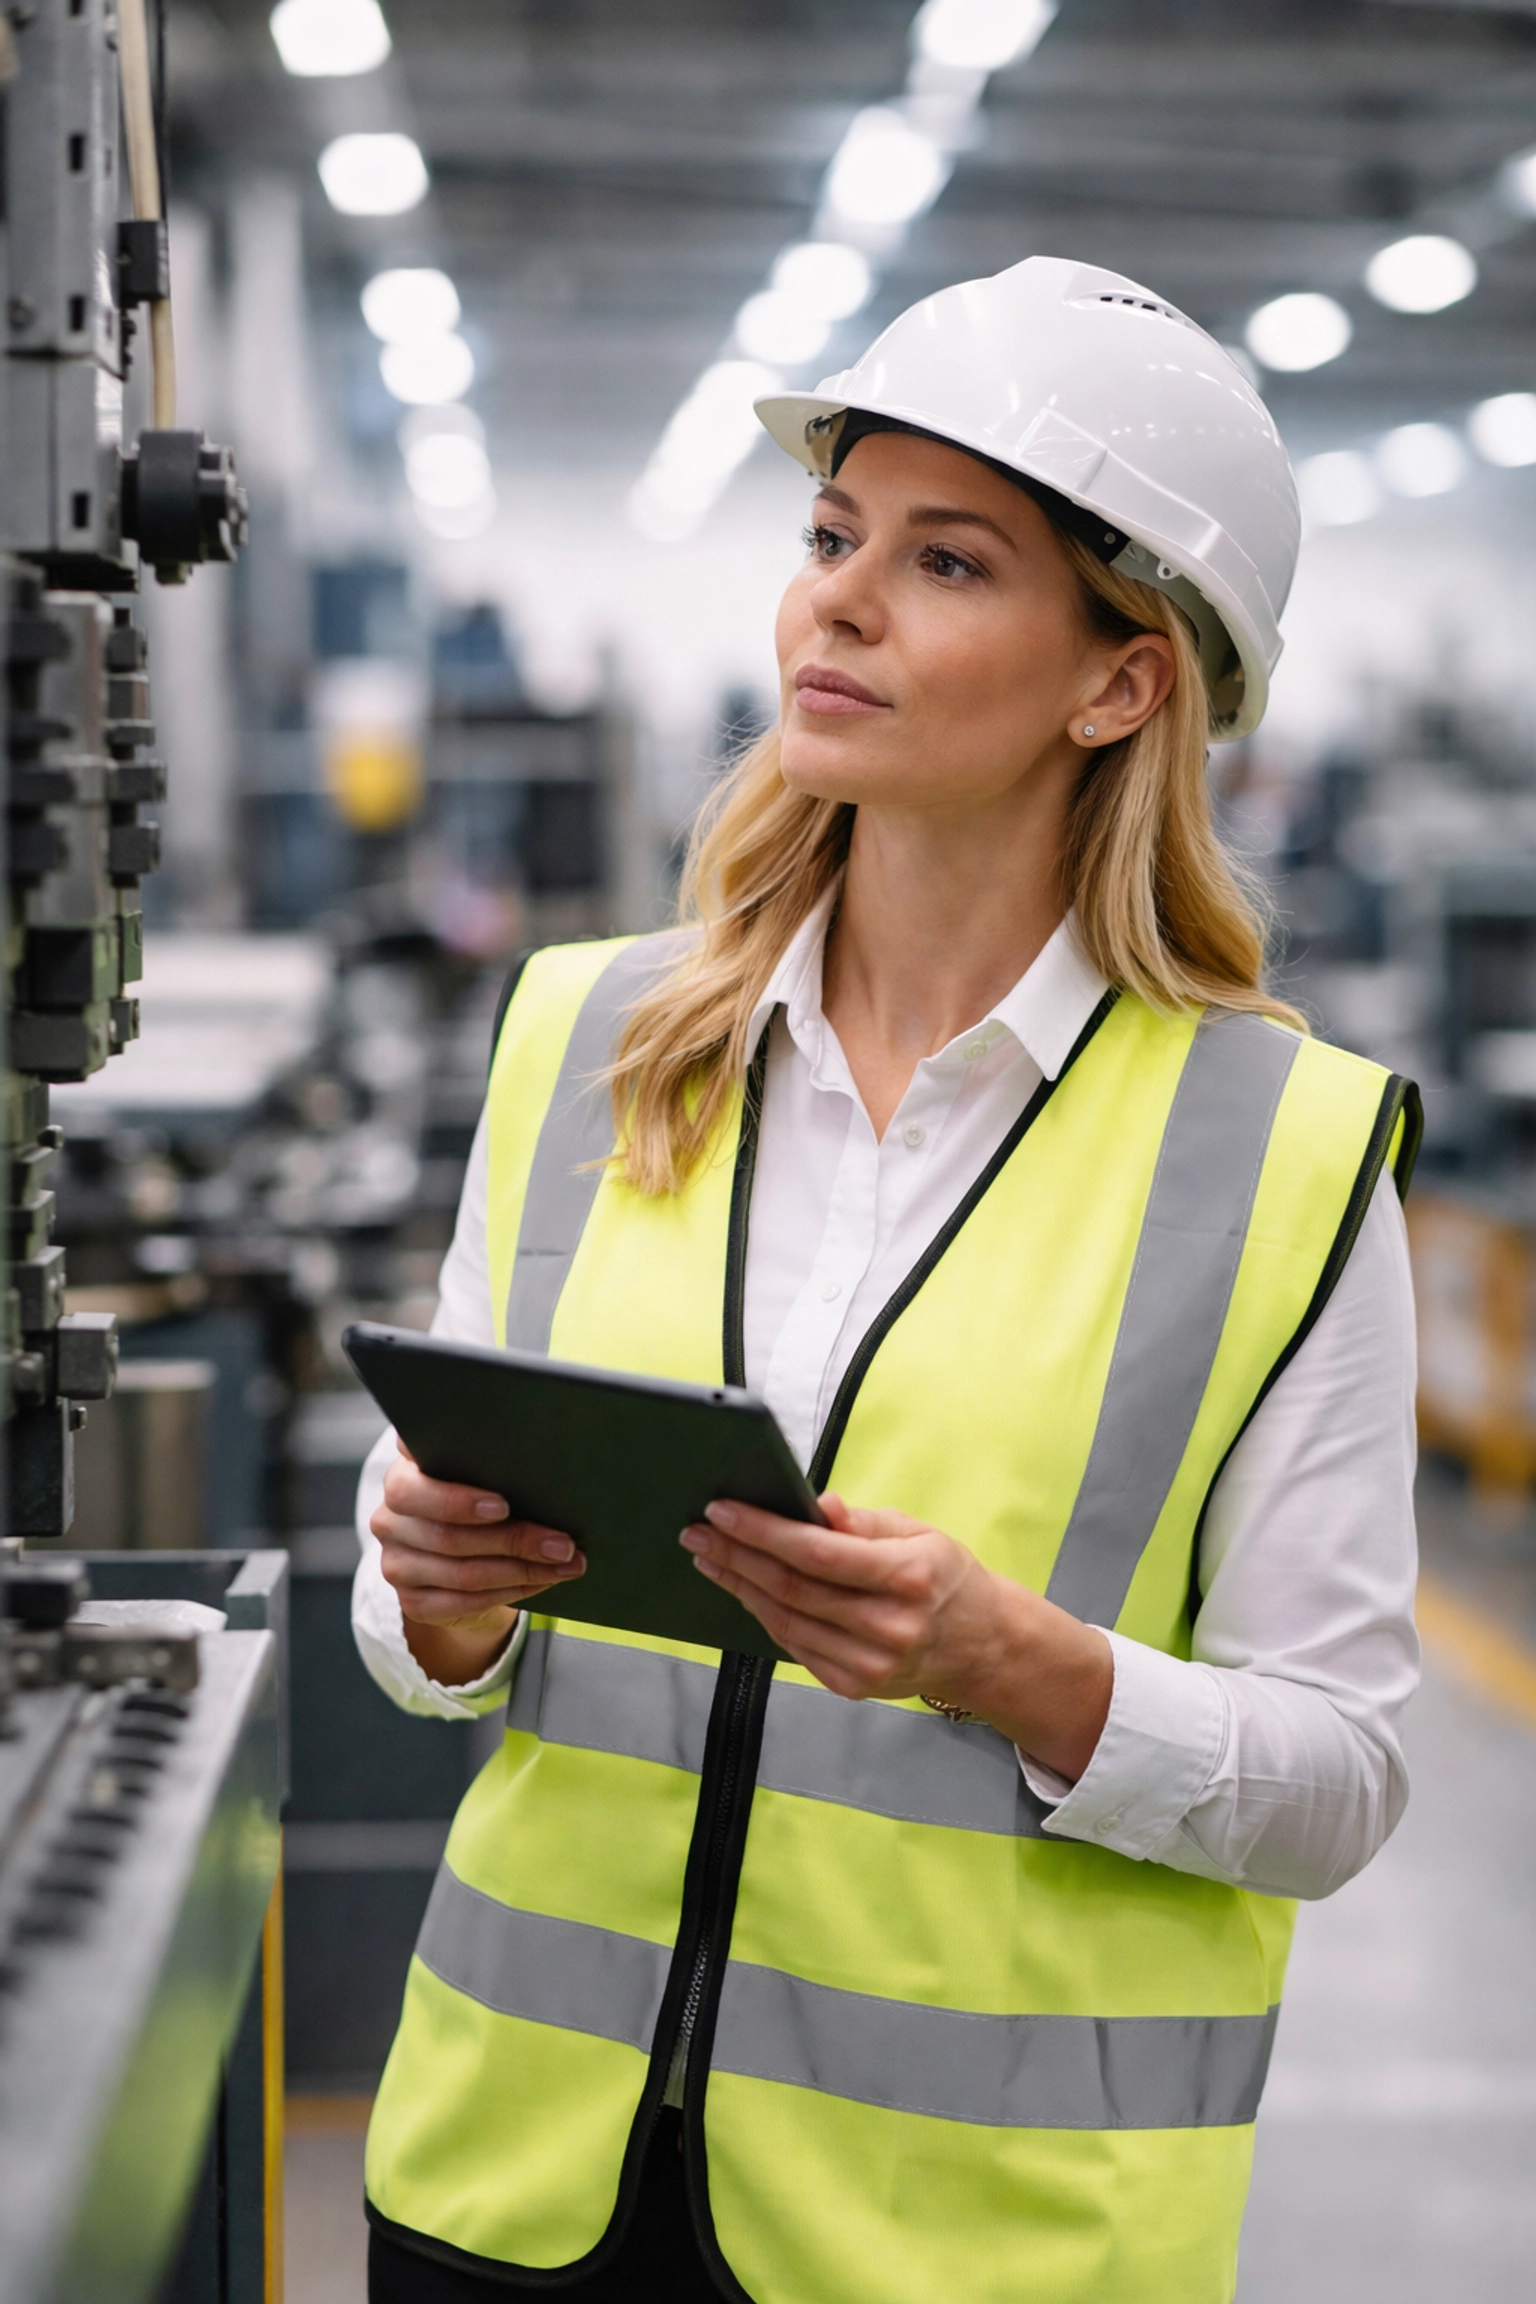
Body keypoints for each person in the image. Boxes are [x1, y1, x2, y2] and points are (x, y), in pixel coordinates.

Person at [353, 257, 1421, 2304]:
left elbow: (1340, 1776)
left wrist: (1020, 1665)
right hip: (507, 2188)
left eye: (945, 561)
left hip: (973, 2247)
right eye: (832, 536)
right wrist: (437, 1596)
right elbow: (426, 1649)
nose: (835, 601)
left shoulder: (1281, 1159)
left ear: (1123, 680)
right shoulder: (584, 1041)